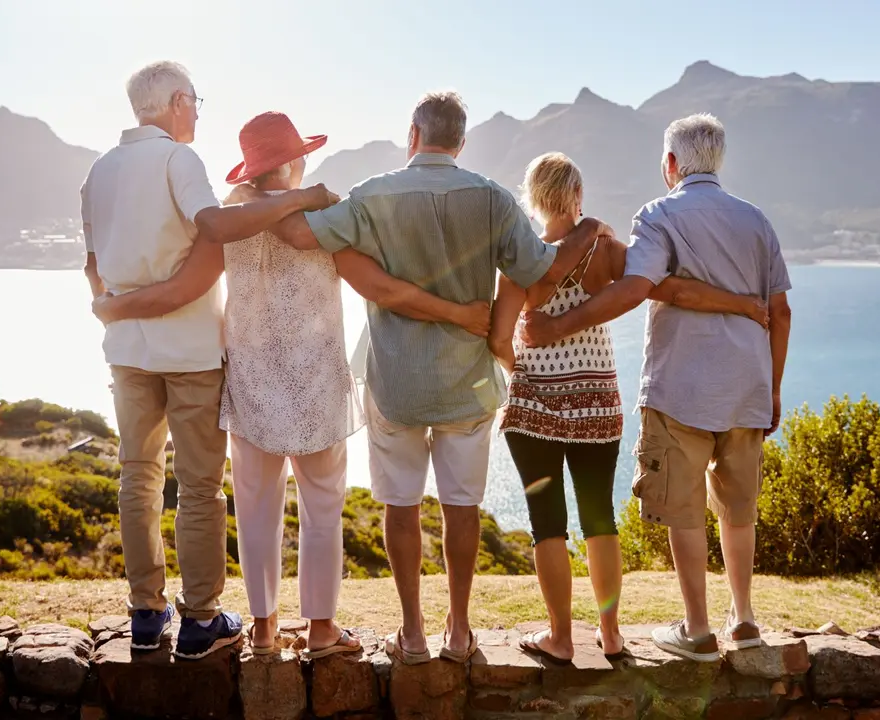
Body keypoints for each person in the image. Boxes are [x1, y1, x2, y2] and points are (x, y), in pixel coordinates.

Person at [229, 91, 613, 664]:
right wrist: (584, 232)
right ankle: (458, 632)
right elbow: (540, 279)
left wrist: (271, 193)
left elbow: (302, 236)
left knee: (400, 507)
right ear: (460, 141)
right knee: (461, 509)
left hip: (395, 383)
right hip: (468, 382)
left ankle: (411, 633)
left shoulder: (372, 196)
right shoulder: (493, 198)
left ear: (413, 135)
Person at [92, 112, 491, 657]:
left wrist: (117, 303)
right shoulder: (324, 215)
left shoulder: (229, 217)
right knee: (323, 509)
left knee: (256, 509)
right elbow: (372, 281)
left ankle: (262, 628)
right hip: (317, 387)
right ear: (297, 159)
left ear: (253, 167)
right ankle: (323, 631)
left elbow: (195, 281)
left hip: (252, 385)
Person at [80, 61, 338, 660]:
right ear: (175, 101)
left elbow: (92, 263)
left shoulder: (98, 171)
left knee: (136, 475)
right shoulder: (178, 160)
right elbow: (217, 226)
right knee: (198, 487)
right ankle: (200, 619)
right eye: (195, 100)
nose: (197, 110)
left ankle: (146, 613)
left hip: (126, 352)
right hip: (191, 351)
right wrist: (304, 196)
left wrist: (114, 308)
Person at [519, 114, 793, 662]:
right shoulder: (756, 220)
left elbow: (638, 289)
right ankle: (744, 620)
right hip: (747, 388)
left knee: (684, 508)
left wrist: (553, 328)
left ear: (671, 164)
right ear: (716, 160)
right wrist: (774, 387)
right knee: (739, 510)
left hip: (679, 389)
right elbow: (780, 311)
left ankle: (697, 629)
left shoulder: (659, 215)